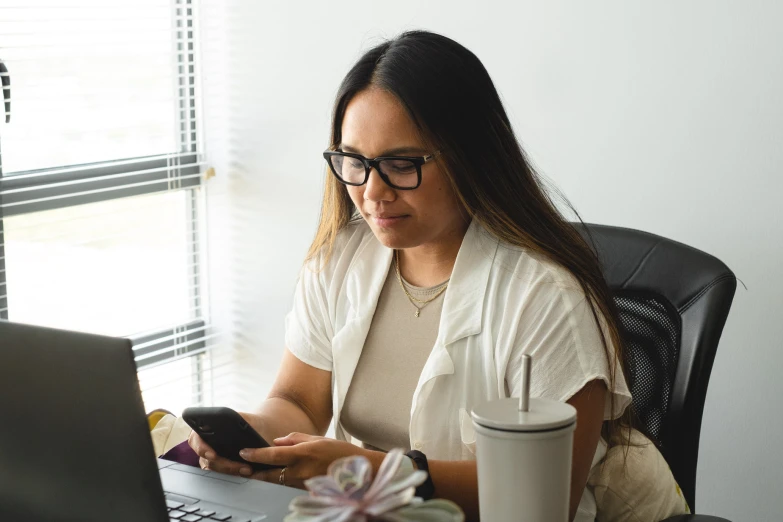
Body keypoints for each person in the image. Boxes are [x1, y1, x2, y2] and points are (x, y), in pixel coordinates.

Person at [190, 30, 637, 522]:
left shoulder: (547, 297)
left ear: (470, 157)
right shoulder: (340, 259)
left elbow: (545, 495)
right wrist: (249, 435)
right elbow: (297, 401)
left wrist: (370, 470)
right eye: (354, 162)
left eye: (401, 165)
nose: (372, 191)